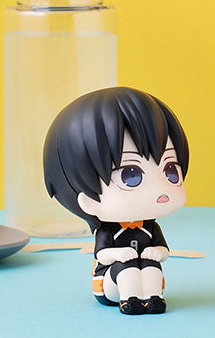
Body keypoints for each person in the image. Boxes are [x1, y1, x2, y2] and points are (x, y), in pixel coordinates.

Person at [43, 87, 189, 315]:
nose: (159, 189)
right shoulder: (108, 231)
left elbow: (163, 249)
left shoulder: (150, 227)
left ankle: (154, 298)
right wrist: (119, 255)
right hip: (109, 283)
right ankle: (129, 300)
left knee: (151, 268)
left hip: (146, 276)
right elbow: (102, 255)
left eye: (170, 170)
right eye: (131, 175)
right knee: (127, 269)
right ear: (87, 200)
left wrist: (158, 253)